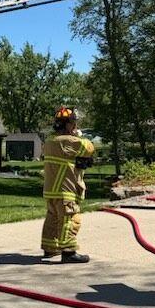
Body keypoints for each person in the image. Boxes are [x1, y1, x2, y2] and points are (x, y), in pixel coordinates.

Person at [41, 106, 95, 263]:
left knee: (53, 219)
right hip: (66, 190)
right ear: (68, 125)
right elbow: (89, 148)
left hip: (51, 190)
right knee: (70, 218)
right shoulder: (68, 141)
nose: (75, 127)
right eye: (74, 124)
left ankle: (50, 248)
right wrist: (80, 136)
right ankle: (69, 252)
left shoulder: (50, 141)